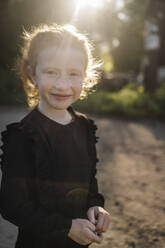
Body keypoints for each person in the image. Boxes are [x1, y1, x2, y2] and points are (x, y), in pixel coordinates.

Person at [0, 23, 110, 248]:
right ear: (32, 74)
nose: (63, 85)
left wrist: (96, 206)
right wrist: (67, 227)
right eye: (51, 72)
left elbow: (89, 182)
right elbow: (13, 206)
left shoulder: (85, 127)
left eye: (73, 74)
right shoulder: (23, 136)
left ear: (85, 77)